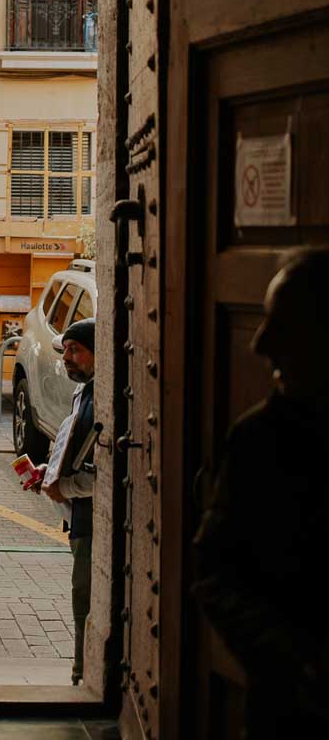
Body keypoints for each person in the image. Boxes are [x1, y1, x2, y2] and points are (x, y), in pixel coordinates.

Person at [193, 247, 329, 739]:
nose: (260, 343)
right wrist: (295, 656)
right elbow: (214, 569)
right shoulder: (259, 438)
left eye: (284, 324)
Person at [36, 317, 97, 685]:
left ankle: (85, 674)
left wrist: (67, 487)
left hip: (93, 517)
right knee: (81, 595)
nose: (67, 358)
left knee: (86, 595)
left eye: (75, 350)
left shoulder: (105, 397)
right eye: (66, 351)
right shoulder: (85, 391)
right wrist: (51, 471)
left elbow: (104, 468)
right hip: (80, 517)